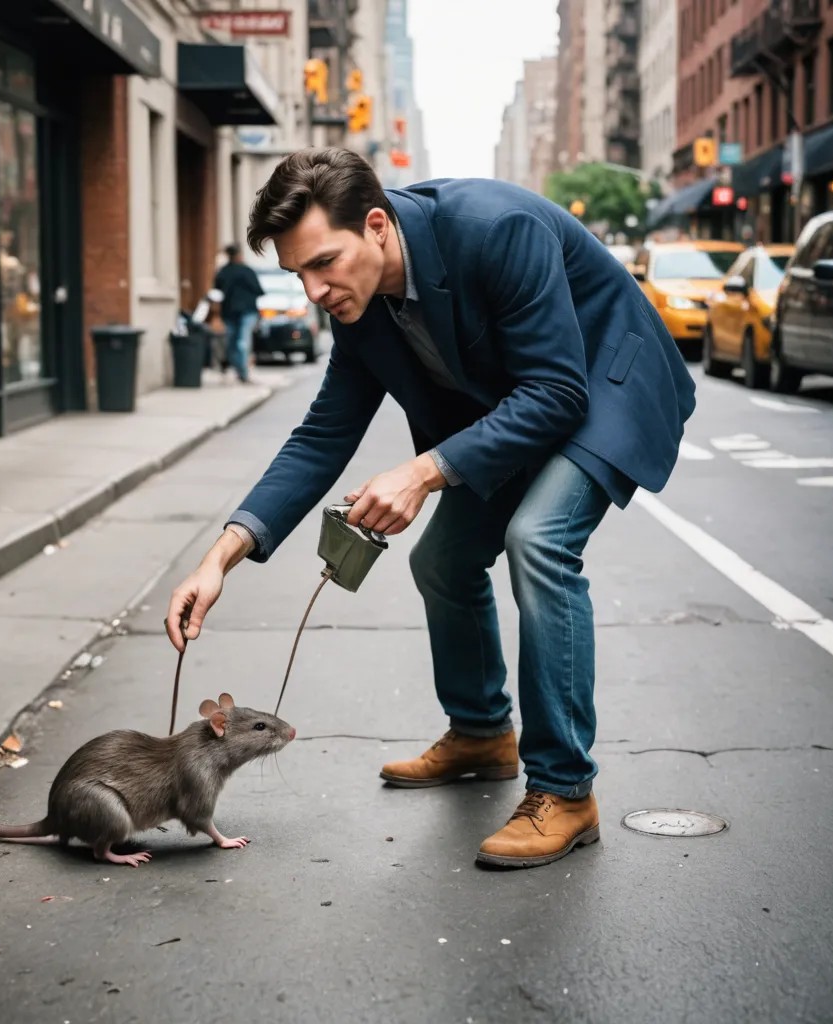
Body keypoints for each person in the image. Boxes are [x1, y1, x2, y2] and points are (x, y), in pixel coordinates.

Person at [167, 148, 696, 869]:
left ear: (378, 226)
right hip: (519, 403)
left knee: (538, 539)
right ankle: (482, 733)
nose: (315, 290)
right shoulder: (356, 306)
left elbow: (559, 393)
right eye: (299, 275)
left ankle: (567, 791)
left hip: (604, 384)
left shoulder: (494, 228)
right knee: (442, 559)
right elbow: (322, 435)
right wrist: (218, 557)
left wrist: (424, 471)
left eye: (324, 263)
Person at [213, 243, 263, 383]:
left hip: (229, 312)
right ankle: (243, 373)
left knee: (233, 342)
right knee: (242, 341)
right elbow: (259, 290)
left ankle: (241, 371)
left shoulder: (223, 272)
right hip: (247, 311)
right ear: (239, 255)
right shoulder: (247, 271)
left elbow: (217, 292)